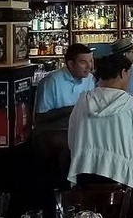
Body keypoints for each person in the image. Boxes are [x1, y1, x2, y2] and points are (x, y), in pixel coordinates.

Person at [67, 52, 133, 189]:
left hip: (84, 173)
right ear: (123, 73)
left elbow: (71, 140)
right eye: (129, 73)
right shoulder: (130, 104)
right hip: (122, 175)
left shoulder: (83, 101)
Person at [33, 44, 96, 182]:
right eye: (83, 62)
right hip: (52, 131)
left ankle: (92, 189)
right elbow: (40, 118)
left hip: (80, 129)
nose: (89, 67)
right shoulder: (52, 81)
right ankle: (65, 189)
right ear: (70, 64)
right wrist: (72, 109)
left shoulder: (90, 79)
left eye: (91, 61)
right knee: (70, 143)